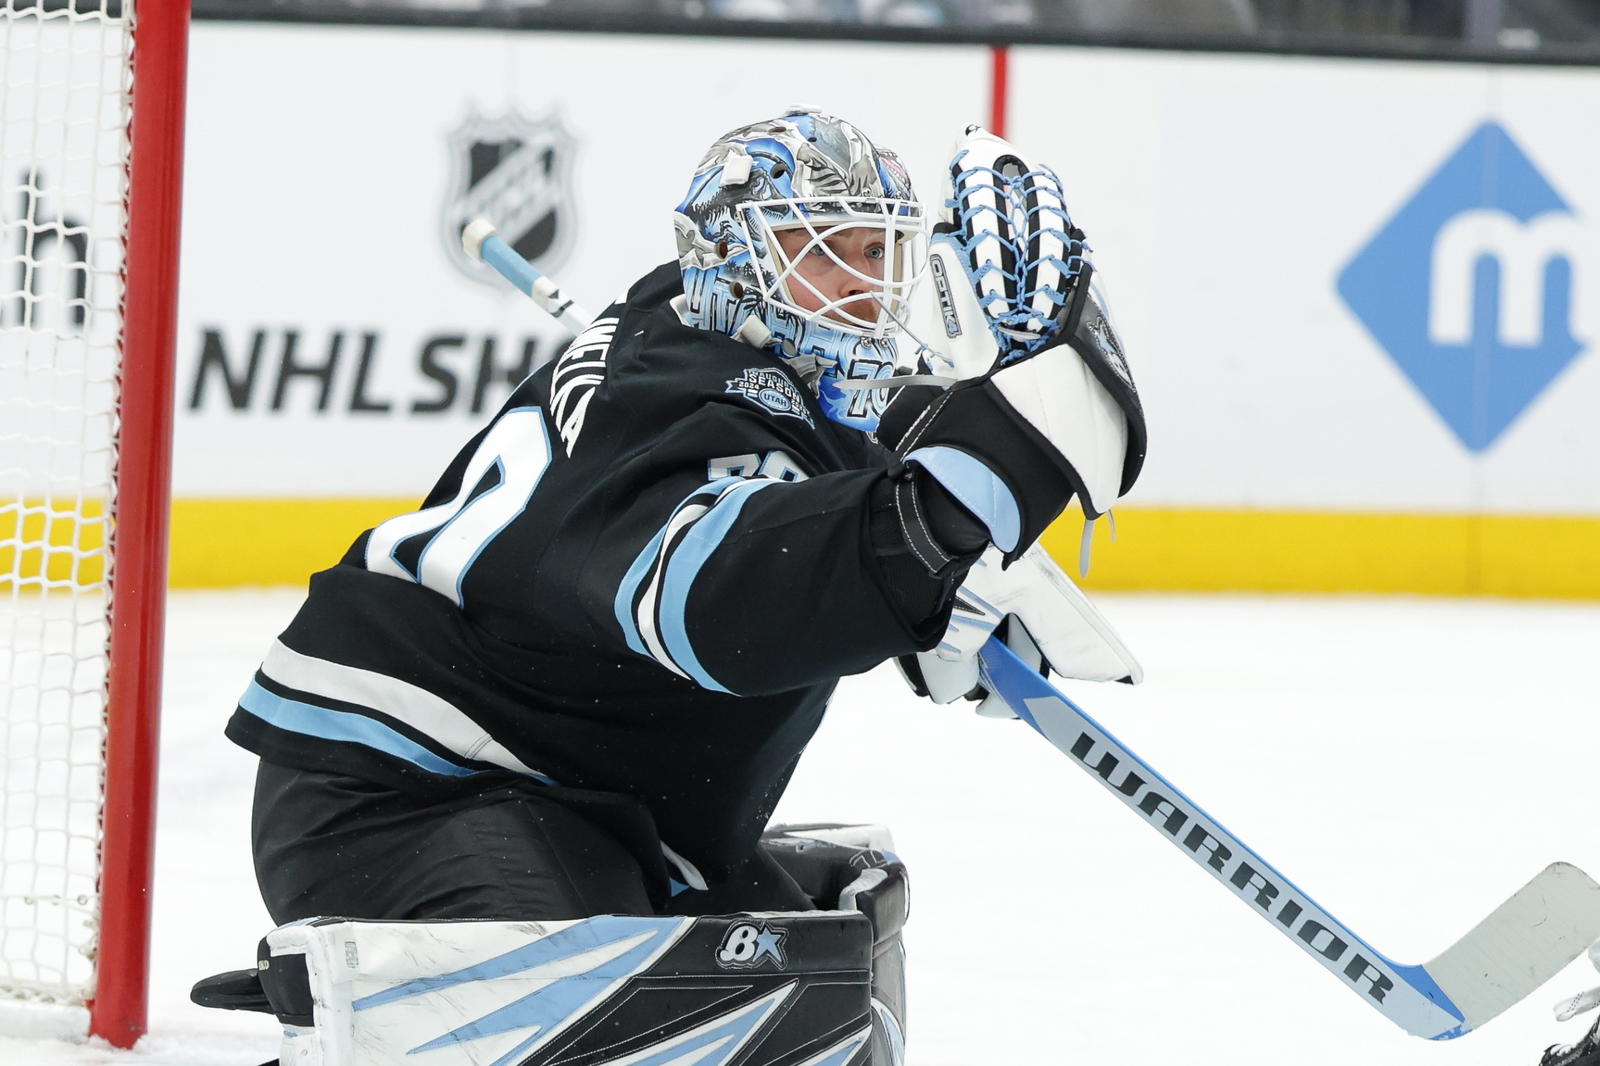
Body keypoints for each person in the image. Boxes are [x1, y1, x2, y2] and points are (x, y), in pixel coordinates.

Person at [223, 107, 1145, 1062]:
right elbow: (723, 613)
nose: (862, 285)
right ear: (730, 259)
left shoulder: (739, 362)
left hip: (591, 797)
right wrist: (932, 523)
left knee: (816, 1029)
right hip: (408, 791)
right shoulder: (671, 397)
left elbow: (807, 495)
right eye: (820, 251)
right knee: (620, 1040)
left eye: (879, 251)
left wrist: (916, 574)